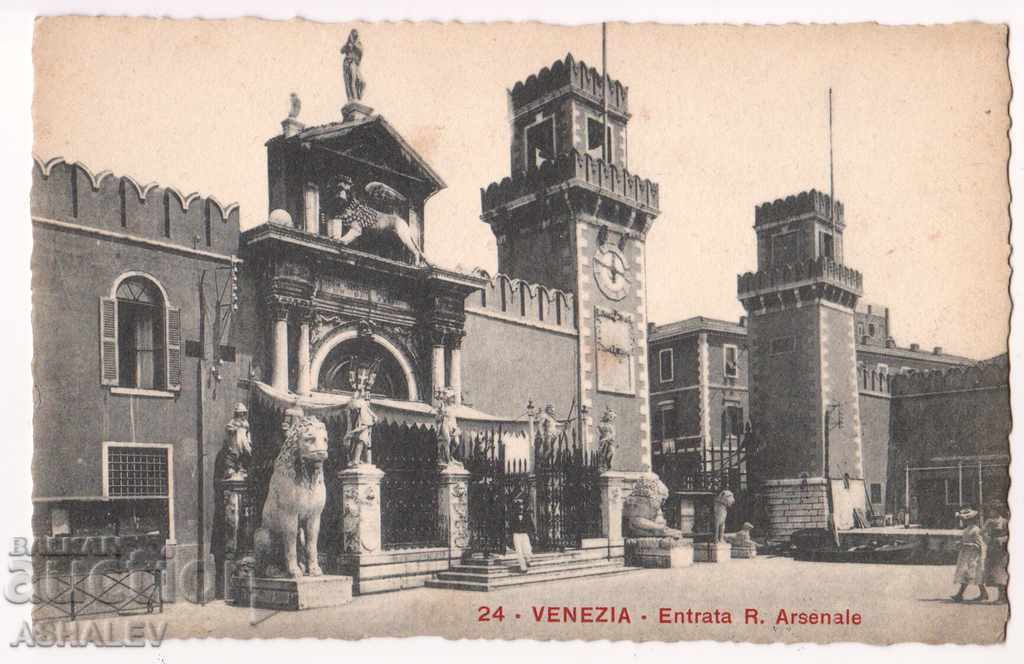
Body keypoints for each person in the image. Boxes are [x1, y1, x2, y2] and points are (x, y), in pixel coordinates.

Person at [951, 507, 988, 603]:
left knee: (971, 574)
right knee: (968, 574)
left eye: (965, 519)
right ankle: (983, 593)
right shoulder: (967, 529)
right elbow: (966, 540)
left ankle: (960, 595)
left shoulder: (976, 530)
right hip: (966, 555)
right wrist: (961, 543)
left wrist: (967, 544)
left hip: (974, 556)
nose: (963, 521)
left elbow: (981, 544)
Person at [982, 504, 1009, 604]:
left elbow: (1011, 533)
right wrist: (987, 538)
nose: (991, 512)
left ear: (998, 511)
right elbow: (982, 532)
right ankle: (1001, 596)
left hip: (1002, 549)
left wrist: (1003, 539)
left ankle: (1003, 597)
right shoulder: (989, 521)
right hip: (992, 548)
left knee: (1001, 572)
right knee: (994, 572)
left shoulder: (1005, 521)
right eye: (990, 510)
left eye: (993, 510)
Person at [510, 491, 534, 573]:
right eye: (519, 505)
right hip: (516, 534)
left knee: (527, 549)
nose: (520, 507)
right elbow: (511, 526)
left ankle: (528, 559)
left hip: (524, 534)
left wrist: (532, 533)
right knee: (519, 551)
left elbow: (531, 524)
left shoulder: (527, 515)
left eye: (522, 505)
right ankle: (523, 567)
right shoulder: (513, 515)